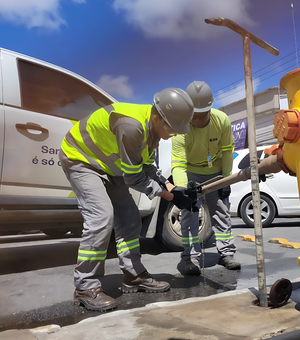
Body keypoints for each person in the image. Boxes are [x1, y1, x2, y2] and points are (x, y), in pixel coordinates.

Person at [59, 87, 195, 311]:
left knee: (130, 218)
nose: (175, 134)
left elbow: (148, 167)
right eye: (173, 128)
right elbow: (134, 178)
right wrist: (170, 197)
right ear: (157, 118)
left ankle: (133, 275)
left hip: (109, 167)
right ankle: (85, 285)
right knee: (101, 217)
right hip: (81, 159)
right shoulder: (131, 126)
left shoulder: (152, 131)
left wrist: (173, 187)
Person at [171, 81, 241, 276]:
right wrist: (183, 189)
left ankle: (226, 253)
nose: (196, 120)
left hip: (216, 171)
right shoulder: (181, 127)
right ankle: (190, 258)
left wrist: (226, 179)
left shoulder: (222, 120)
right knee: (189, 214)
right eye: (192, 116)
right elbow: (178, 164)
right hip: (191, 172)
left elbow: (228, 151)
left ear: (210, 109)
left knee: (221, 211)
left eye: (200, 116)